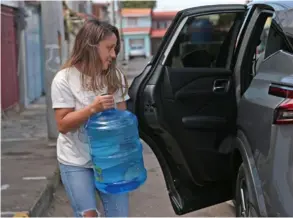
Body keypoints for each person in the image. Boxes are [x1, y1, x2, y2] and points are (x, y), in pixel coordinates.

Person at [51, 19, 130, 217]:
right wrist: (92, 109)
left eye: (115, 49)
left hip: (109, 160)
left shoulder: (114, 77)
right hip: (75, 159)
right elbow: (62, 124)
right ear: (91, 47)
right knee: (88, 215)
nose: (113, 55)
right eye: (109, 48)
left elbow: (122, 120)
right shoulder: (64, 79)